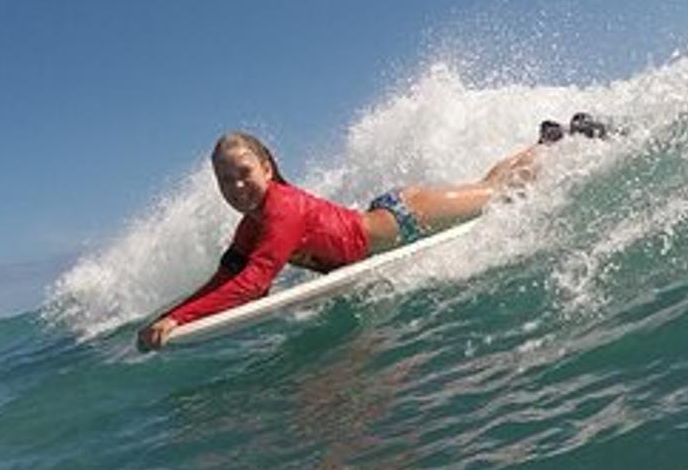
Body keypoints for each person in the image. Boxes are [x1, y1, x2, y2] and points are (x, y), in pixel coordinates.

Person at [136, 115, 607, 351]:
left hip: (405, 217)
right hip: (388, 212)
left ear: (266, 166)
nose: (236, 186)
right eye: (225, 180)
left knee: (499, 191)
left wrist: (179, 322)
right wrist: (174, 314)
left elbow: (255, 283)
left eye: (243, 173)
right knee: (490, 185)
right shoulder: (251, 223)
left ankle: (572, 141)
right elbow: (228, 275)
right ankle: (546, 142)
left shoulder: (282, 208)